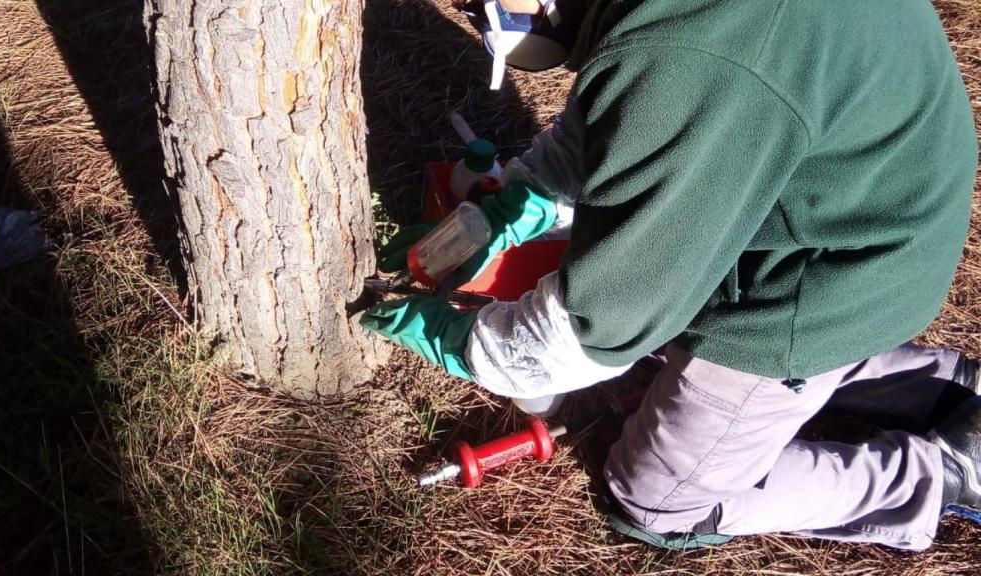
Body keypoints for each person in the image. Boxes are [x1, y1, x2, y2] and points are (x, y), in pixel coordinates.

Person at [360, 0, 981, 551]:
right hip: (873, 189)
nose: (475, 8)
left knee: (656, 499)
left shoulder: (693, 59)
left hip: (833, 273)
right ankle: (946, 384)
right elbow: (610, 124)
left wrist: (469, 343)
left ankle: (949, 471)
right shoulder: (670, 29)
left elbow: (595, 329)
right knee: (670, 323)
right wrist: (512, 205)